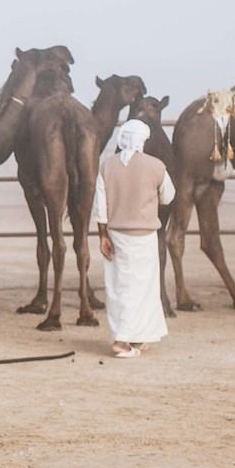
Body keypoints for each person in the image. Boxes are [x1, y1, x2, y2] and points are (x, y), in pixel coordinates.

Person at [95, 119, 174, 358]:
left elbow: (100, 207)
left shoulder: (107, 166)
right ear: (143, 140)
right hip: (145, 237)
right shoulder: (156, 166)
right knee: (143, 289)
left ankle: (135, 338)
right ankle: (121, 342)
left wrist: (102, 236)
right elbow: (168, 197)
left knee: (120, 288)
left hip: (116, 237)